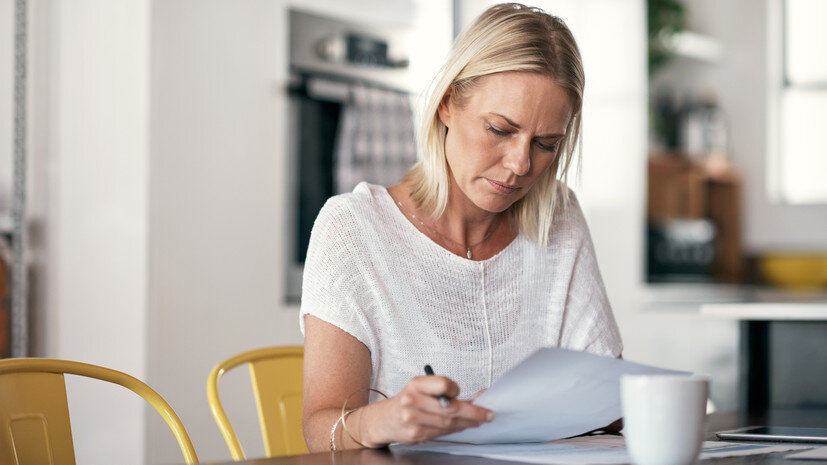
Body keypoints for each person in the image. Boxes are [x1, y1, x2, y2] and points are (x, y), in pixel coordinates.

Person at [300, 3, 622, 452]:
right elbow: (320, 432)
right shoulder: (353, 228)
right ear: (448, 102)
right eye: (499, 129)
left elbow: (608, 398)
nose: (520, 165)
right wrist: (380, 421)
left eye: (546, 144)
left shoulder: (558, 216)